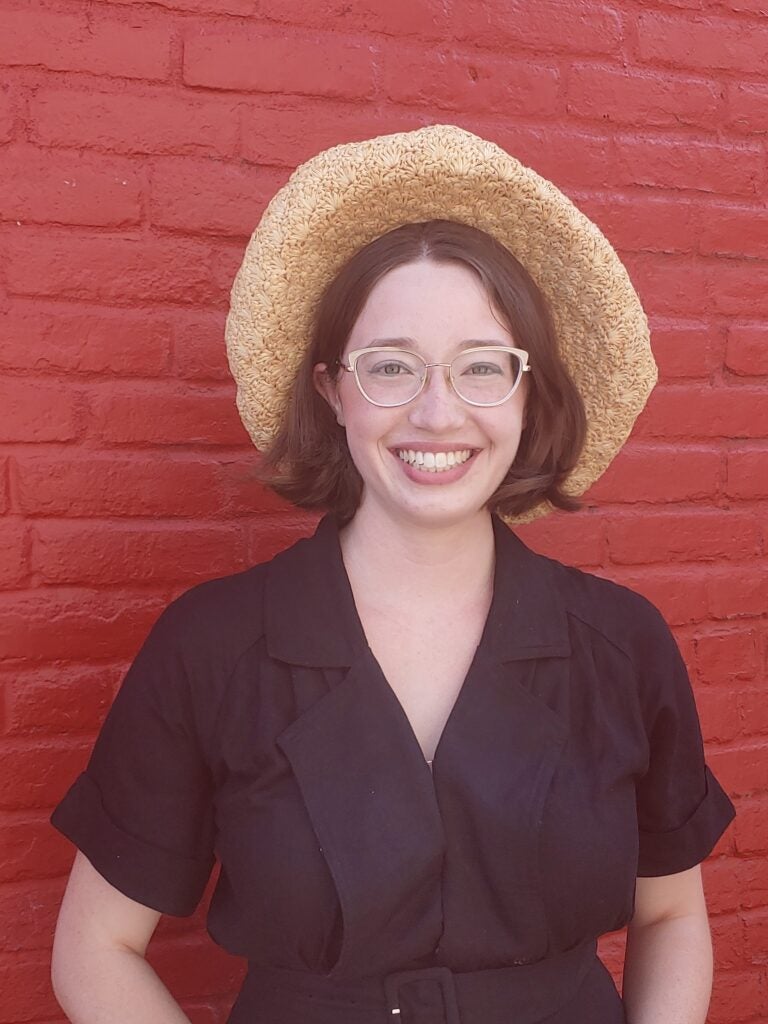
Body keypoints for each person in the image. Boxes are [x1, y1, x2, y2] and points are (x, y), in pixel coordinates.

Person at [49, 125, 736, 1024]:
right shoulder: (213, 645)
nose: (438, 412)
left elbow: (675, 912)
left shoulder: (621, 644)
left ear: (530, 396)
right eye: (392, 367)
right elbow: (95, 950)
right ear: (333, 390)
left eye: (482, 367)